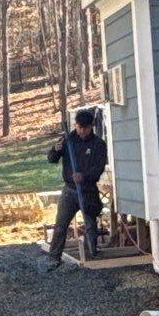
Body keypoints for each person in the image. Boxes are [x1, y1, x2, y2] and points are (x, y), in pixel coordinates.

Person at [45, 109, 108, 267]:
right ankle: (54, 257)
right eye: (79, 127)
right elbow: (52, 159)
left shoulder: (98, 145)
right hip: (70, 190)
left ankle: (91, 255)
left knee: (90, 224)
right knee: (60, 224)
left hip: (88, 190)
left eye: (84, 128)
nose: (81, 131)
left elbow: (98, 168)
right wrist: (55, 150)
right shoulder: (68, 140)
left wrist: (84, 176)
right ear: (76, 125)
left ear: (91, 127)